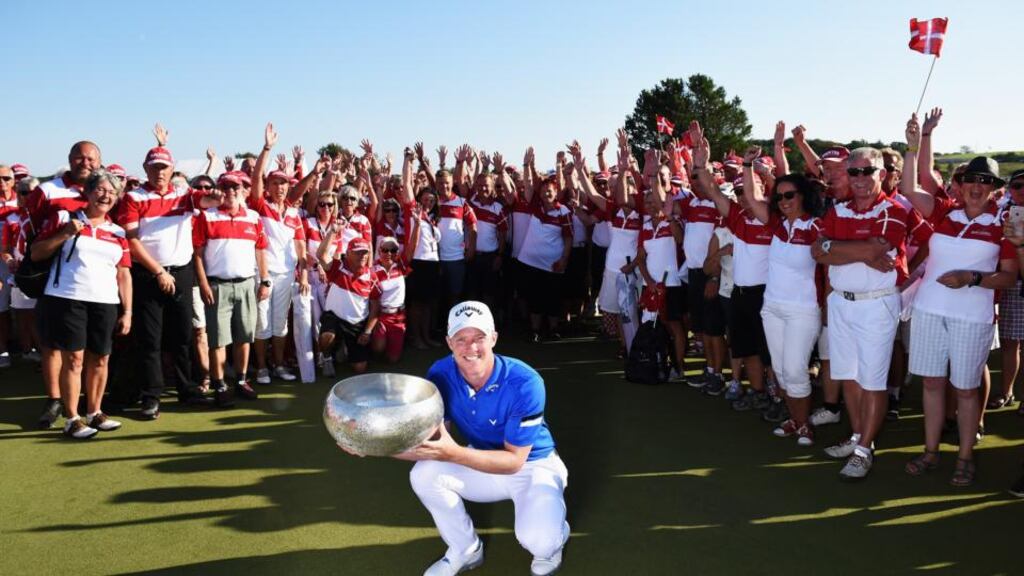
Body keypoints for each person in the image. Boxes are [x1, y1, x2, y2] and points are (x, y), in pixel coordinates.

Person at [399, 301, 569, 576]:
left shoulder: (525, 381)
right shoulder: (440, 373)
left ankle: (554, 534)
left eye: (479, 338)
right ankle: (465, 550)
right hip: (480, 460)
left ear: (493, 338)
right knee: (424, 474)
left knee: (540, 541)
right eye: (461, 339)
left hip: (533, 465)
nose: (471, 348)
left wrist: (452, 453)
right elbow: (432, 444)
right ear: (449, 342)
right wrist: (370, 444)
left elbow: (514, 462)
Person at [901, 115, 1018, 486]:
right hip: (929, 311)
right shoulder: (941, 213)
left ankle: (965, 456)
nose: (977, 187)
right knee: (933, 385)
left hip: (973, 317)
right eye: (972, 180)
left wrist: (972, 278)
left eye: (986, 183)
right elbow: (909, 186)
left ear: (995, 189)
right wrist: (914, 145)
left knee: (966, 388)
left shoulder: (1003, 227)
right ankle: (931, 450)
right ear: (963, 183)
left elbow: (1009, 276)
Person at [812, 146, 931, 481]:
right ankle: (857, 437)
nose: (861, 179)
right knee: (848, 375)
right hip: (841, 302)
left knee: (872, 380)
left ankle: (864, 450)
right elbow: (817, 252)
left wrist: (836, 249)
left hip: (876, 304)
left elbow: (876, 249)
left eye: (868, 172)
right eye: (854, 172)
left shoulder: (893, 211)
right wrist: (859, 252)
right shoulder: (838, 210)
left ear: (882, 173)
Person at [116, 124, 216, 419]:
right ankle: (151, 396)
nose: (159, 172)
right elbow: (132, 241)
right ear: (146, 169)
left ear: (172, 168)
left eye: (164, 167)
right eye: (154, 167)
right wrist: (159, 272)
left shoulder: (183, 194)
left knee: (182, 334)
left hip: (181, 272)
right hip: (149, 275)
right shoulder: (134, 198)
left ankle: (186, 390)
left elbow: (208, 200)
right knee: (150, 338)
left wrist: (223, 195)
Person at [32, 169, 132, 439]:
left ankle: (94, 412)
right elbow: (37, 252)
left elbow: (124, 273)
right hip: (68, 298)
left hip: (105, 301)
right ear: (87, 192)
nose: (105, 196)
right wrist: (65, 233)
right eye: (100, 190)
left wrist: (128, 311)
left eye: (111, 193)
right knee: (74, 360)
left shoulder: (118, 231)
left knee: (100, 358)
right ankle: (72, 418)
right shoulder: (65, 218)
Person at [26, 141, 101, 429]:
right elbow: (31, 229)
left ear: (99, 161)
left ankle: (85, 402)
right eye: (80, 158)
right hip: (54, 276)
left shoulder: (104, 188)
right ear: (70, 160)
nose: (86, 163)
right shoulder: (47, 190)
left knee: (89, 346)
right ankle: (54, 399)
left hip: (92, 277)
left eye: (91, 159)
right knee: (53, 343)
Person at [193, 170, 269, 406]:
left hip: (246, 284)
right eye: (225, 187)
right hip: (217, 285)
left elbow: (260, 250)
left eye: (235, 187)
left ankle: (241, 380)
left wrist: (265, 279)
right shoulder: (207, 216)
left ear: (242, 190)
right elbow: (197, 254)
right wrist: (204, 283)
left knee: (244, 336)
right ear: (220, 190)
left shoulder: (254, 217)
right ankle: (220, 385)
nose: (231, 192)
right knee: (218, 340)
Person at [246, 123, 309, 384]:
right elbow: (255, 179)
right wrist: (267, 148)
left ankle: (279, 364)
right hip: (263, 274)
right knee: (262, 323)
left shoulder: (294, 214)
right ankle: (261, 368)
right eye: (276, 183)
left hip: (287, 276)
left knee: (280, 323)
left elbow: (301, 248)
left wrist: (303, 275)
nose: (281, 188)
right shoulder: (260, 206)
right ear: (268, 186)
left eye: (284, 184)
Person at [318, 236, 379, 375]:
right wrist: (333, 231)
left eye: (365, 252)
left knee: (360, 369)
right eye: (357, 252)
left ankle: (343, 348)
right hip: (334, 317)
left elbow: (375, 307)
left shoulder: (372, 276)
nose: (362, 256)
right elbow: (321, 255)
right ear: (348, 253)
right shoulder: (338, 267)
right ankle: (327, 357)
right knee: (327, 337)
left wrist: (367, 331)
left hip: (357, 324)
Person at [2, 177, 41, 365]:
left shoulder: (47, 216)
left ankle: (44, 353)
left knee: (42, 315)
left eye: (33, 192)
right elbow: (6, 250)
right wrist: (9, 261)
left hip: (44, 273)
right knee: (24, 315)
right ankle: (28, 350)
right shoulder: (11, 219)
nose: (28, 196)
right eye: (23, 192)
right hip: (21, 274)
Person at [371, 236, 410, 363]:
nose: (389, 253)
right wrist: (373, 319)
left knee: (393, 359)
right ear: (379, 251)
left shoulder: (401, 265)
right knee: (378, 348)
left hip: (398, 316)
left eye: (393, 250)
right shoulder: (372, 270)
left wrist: (417, 224)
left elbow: (412, 247)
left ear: (397, 252)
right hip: (380, 315)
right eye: (385, 250)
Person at [0, 165, 17, 368]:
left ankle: (32, 346)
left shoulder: (24, 198)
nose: (2, 181)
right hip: (1, 261)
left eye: (6, 177)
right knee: (1, 307)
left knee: (28, 308)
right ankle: (3, 349)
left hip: (21, 260)